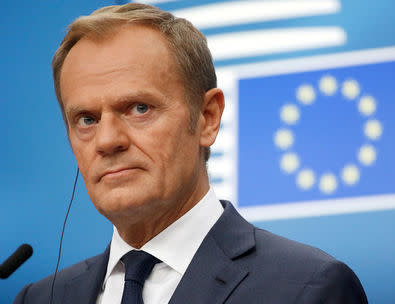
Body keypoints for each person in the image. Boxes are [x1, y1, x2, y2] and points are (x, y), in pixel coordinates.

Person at [14, 3, 368, 304]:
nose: (107, 140)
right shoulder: (40, 298)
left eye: (139, 108)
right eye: (87, 119)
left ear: (207, 118)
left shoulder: (306, 288)